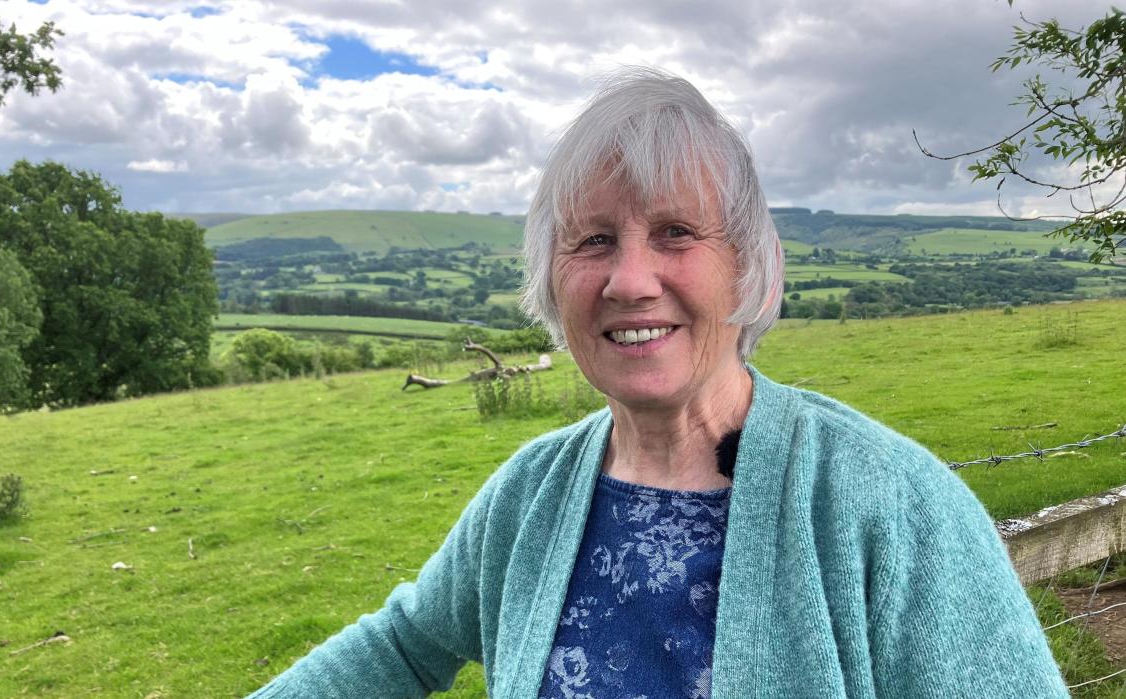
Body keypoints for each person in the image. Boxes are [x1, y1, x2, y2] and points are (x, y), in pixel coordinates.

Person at [248, 67, 1066, 698]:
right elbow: (399, 646)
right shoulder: (529, 494)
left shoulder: (888, 502)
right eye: (593, 239)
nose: (630, 279)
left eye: (675, 232)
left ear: (748, 266)